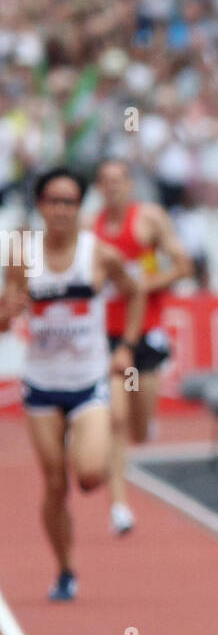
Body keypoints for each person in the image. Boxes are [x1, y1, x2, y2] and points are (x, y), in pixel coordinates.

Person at [0, 168, 145, 598]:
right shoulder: (21, 254)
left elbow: (134, 291)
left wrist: (127, 348)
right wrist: (7, 311)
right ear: (41, 206)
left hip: (87, 382)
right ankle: (65, 569)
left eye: (69, 202)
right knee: (54, 484)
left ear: (80, 208)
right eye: (53, 201)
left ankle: (90, 458)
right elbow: (5, 319)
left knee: (88, 475)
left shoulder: (98, 254)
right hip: (42, 385)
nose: (61, 209)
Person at [90, 159, 192, 534]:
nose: (112, 187)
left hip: (146, 331)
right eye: (105, 181)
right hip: (109, 336)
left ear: (129, 184)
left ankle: (144, 424)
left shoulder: (149, 219)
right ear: (99, 187)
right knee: (116, 419)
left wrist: (144, 284)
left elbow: (183, 267)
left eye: (118, 181)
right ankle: (119, 507)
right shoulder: (92, 227)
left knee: (137, 424)